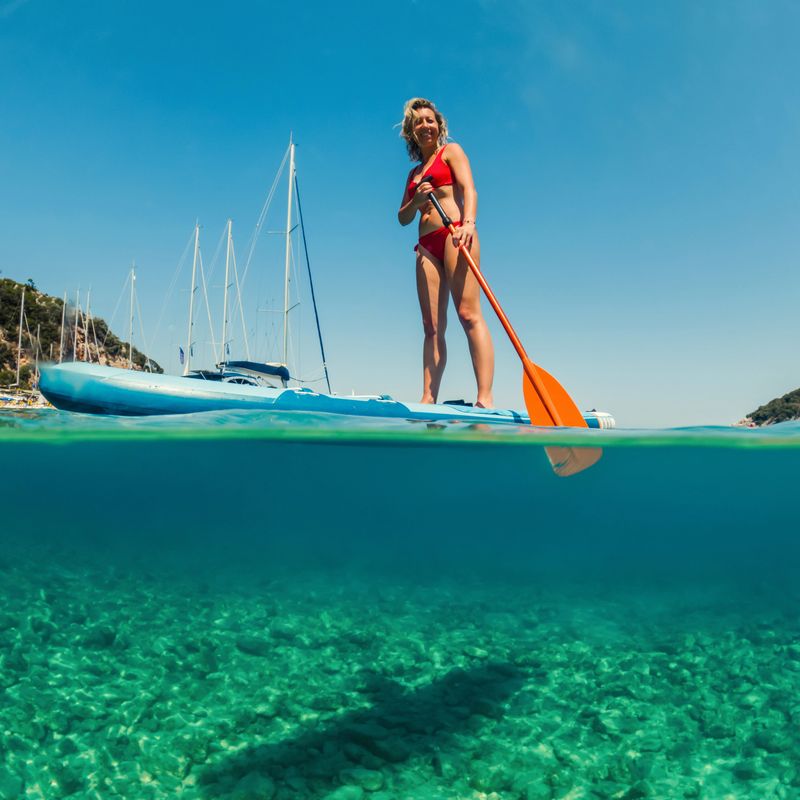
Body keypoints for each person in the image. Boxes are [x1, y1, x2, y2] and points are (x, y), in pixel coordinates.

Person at [397, 97, 495, 408]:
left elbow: (469, 189)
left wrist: (468, 223)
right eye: (418, 123)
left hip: (456, 234)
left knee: (468, 315)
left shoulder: (450, 152)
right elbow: (402, 217)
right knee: (431, 327)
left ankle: (485, 398)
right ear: (412, 133)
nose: (424, 125)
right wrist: (415, 201)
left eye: (429, 120)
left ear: (439, 125)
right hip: (426, 246)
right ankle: (428, 397)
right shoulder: (413, 174)